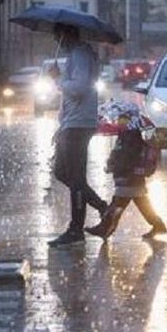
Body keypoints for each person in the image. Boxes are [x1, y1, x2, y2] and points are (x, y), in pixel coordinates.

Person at [48, 24, 108, 247]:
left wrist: (57, 79)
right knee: (63, 172)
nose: (57, 41)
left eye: (57, 36)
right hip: (72, 123)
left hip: (78, 124)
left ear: (66, 33)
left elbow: (80, 87)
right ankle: (102, 207)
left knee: (74, 177)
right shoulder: (77, 54)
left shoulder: (80, 55)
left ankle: (76, 229)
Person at [85, 102, 167, 240]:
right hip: (132, 174)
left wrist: (115, 166)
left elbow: (127, 156)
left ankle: (105, 228)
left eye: (122, 118)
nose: (118, 121)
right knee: (141, 202)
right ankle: (158, 225)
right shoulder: (127, 133)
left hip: (129, 175)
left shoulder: (131, 135)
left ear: (130, 119)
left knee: (117, 203)